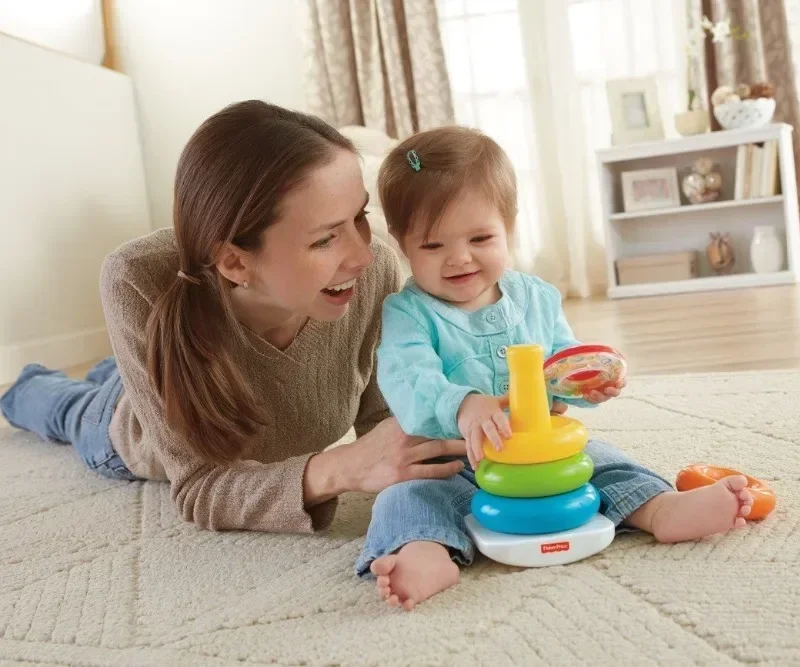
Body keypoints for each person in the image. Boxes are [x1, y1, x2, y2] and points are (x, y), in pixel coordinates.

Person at [0, 100, 468, 533]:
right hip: (127, 429)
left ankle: (114, 368)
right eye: (326, 239)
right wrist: (341, 467)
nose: (363, 256)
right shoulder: (135, 278)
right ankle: (24, 387)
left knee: (113, 370)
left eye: (360, 217)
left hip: (169, 359)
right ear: (236, 262)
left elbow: (390, 419)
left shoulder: (375, 272)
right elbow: (201, 486)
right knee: (64, 408)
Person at [359, 126, 754, 610]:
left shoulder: (537, 298)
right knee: (403, 500)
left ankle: (661, 509)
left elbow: (565, 366)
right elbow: (408, 380)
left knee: (605, 462)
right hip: (455, 461)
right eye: (433, 246)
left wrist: (591, 383)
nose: (459, 258)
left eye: (480, 237)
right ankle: (424, 553)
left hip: (544, 456)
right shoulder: (408, 314)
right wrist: (463, 406)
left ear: (511, 226)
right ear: (402, 242)